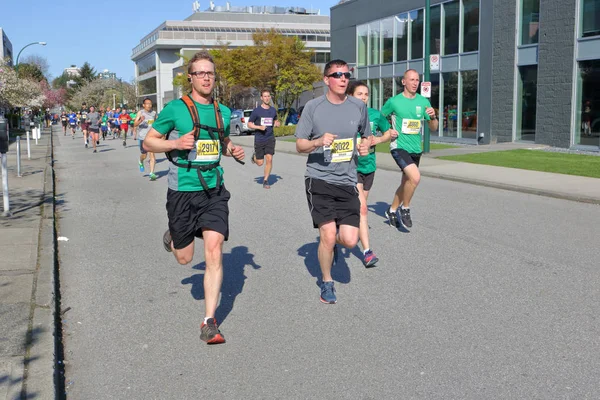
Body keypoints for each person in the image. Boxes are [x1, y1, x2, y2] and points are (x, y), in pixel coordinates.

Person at [143, 51, 245, 344]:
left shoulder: (222, 112)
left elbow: (221, 141)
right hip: (182, 191)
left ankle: (209, 322)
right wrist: (175, 142)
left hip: (213, 189)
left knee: (215, 249)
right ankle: (174, 237)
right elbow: (148, 141)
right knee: (185, 259)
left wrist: (232, 150)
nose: (206, 77)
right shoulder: (175, 109)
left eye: (210, 73)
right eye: (200, 73)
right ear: (190, 77)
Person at [295, 59, 372, 304]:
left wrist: (366, 146)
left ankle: (331, 246)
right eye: (337, 74)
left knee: (349, 239)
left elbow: (367, 137)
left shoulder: (358, 107)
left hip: (347, 179)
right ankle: (327, 282)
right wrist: (318, 142)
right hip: (319, 179)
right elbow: (300, 145)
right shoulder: (313, 107)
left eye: (346, 75)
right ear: (327, 79)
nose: (342, 78)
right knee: (328, 234)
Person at [346, 80, 398, 267]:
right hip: (351, 167)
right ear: (351, 95)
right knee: (362, 209)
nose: (364, 97)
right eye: (359, 94)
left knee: (361, 206)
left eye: (366, 94)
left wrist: (377, 139)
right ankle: (367, 252)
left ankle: (339, 232)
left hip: (369, 167)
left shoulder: (375, 115)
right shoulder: (344, 115)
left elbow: (388, 132)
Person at [381, 69, 439, 229]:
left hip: (415, 148)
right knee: (415, 177)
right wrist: (388, 131)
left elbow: (433, 128)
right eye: (411, 80)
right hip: (399, 146)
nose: (415, 83)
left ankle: (391, 210)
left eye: (417, 80)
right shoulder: (394, 101)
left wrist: (433, 117)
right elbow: (380, 118)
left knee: (407, 182)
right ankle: (405, 208)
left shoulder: (423, 102)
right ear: (404, 82)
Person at [247, 89, 280, 189]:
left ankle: (265, 180)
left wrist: (277, 123)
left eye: (268, 96)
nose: (267, 98)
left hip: (270, 138)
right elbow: (249, 124)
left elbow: (275, 120)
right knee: (260, 163)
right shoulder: (256, 111)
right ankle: (255, 157)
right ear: (261, 98)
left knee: (269, 159)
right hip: (259, 139)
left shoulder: (273, 110)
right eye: (265, 96)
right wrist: (259, 127)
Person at [134, 98, 157, 180]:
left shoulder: (154, 113)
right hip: (142, 137)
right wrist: (140, 120)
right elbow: (135, 124)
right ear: (143, 105)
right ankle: (141, 161)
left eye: (150, 103)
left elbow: (156, 124)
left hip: (151, 137)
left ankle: (152, 173)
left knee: (152, 154)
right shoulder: (140, 113)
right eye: (147, 103)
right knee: (144, 155)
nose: (149, 105)